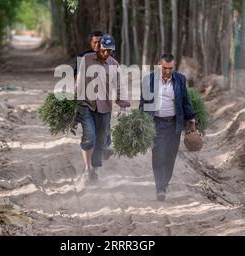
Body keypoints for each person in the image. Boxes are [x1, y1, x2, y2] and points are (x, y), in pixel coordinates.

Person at [139, 53, 196, 201]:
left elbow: (185, 101)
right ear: (159, 65)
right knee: (158, 155)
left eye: (170, 68)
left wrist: (191, 118)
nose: (167, 71)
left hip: (174, 124)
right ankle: (160, 188)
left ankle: (165, 183)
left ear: (174, 67)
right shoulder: (149, 80)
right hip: (156, 123)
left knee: (170, 156)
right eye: (164, 68)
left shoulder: (180, 80)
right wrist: (141, 122)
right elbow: (143, 103)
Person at [76, 34, 130, 182]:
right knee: (90, 138)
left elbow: (119, 85)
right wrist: (73, 103)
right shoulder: (86, 59)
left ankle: (94, 172)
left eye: (110, 51)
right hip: (86, 105)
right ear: (99, 47)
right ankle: (87, 168)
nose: (106, 54)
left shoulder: (114, 64)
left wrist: (123, 107)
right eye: (104, 50)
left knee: (101, 141)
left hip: (105, 107)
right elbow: (79, 81)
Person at [74, 31, 114, 161]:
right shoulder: (84, 57)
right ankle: (89, 165)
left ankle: (104, 148)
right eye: (94, 42)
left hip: (103, 101)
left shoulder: (108, 56)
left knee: (105, 129)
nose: (97, 45)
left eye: (99, 42)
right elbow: (76, 77)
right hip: (87, 101)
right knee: (90, 134)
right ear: (90, 43)